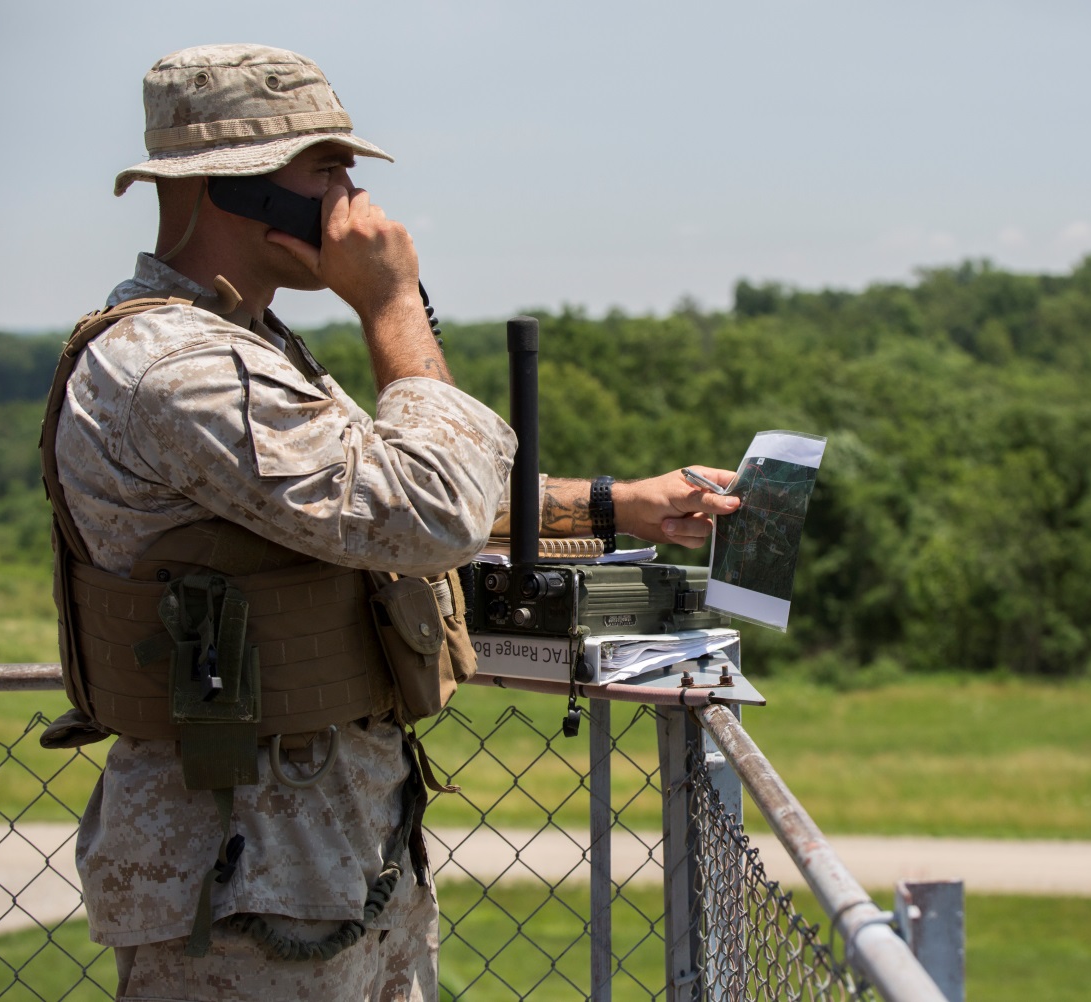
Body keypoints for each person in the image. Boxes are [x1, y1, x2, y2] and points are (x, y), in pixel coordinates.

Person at [42, 43, 739, 1001]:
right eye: (323, 167)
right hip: (246, 871)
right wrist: (392, 302)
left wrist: (619, 504)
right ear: (230, 186)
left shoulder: (244, 343)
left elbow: (372, 500)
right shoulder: (175, 368)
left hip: (330, 846)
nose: (352, 192)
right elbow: (423, 513)